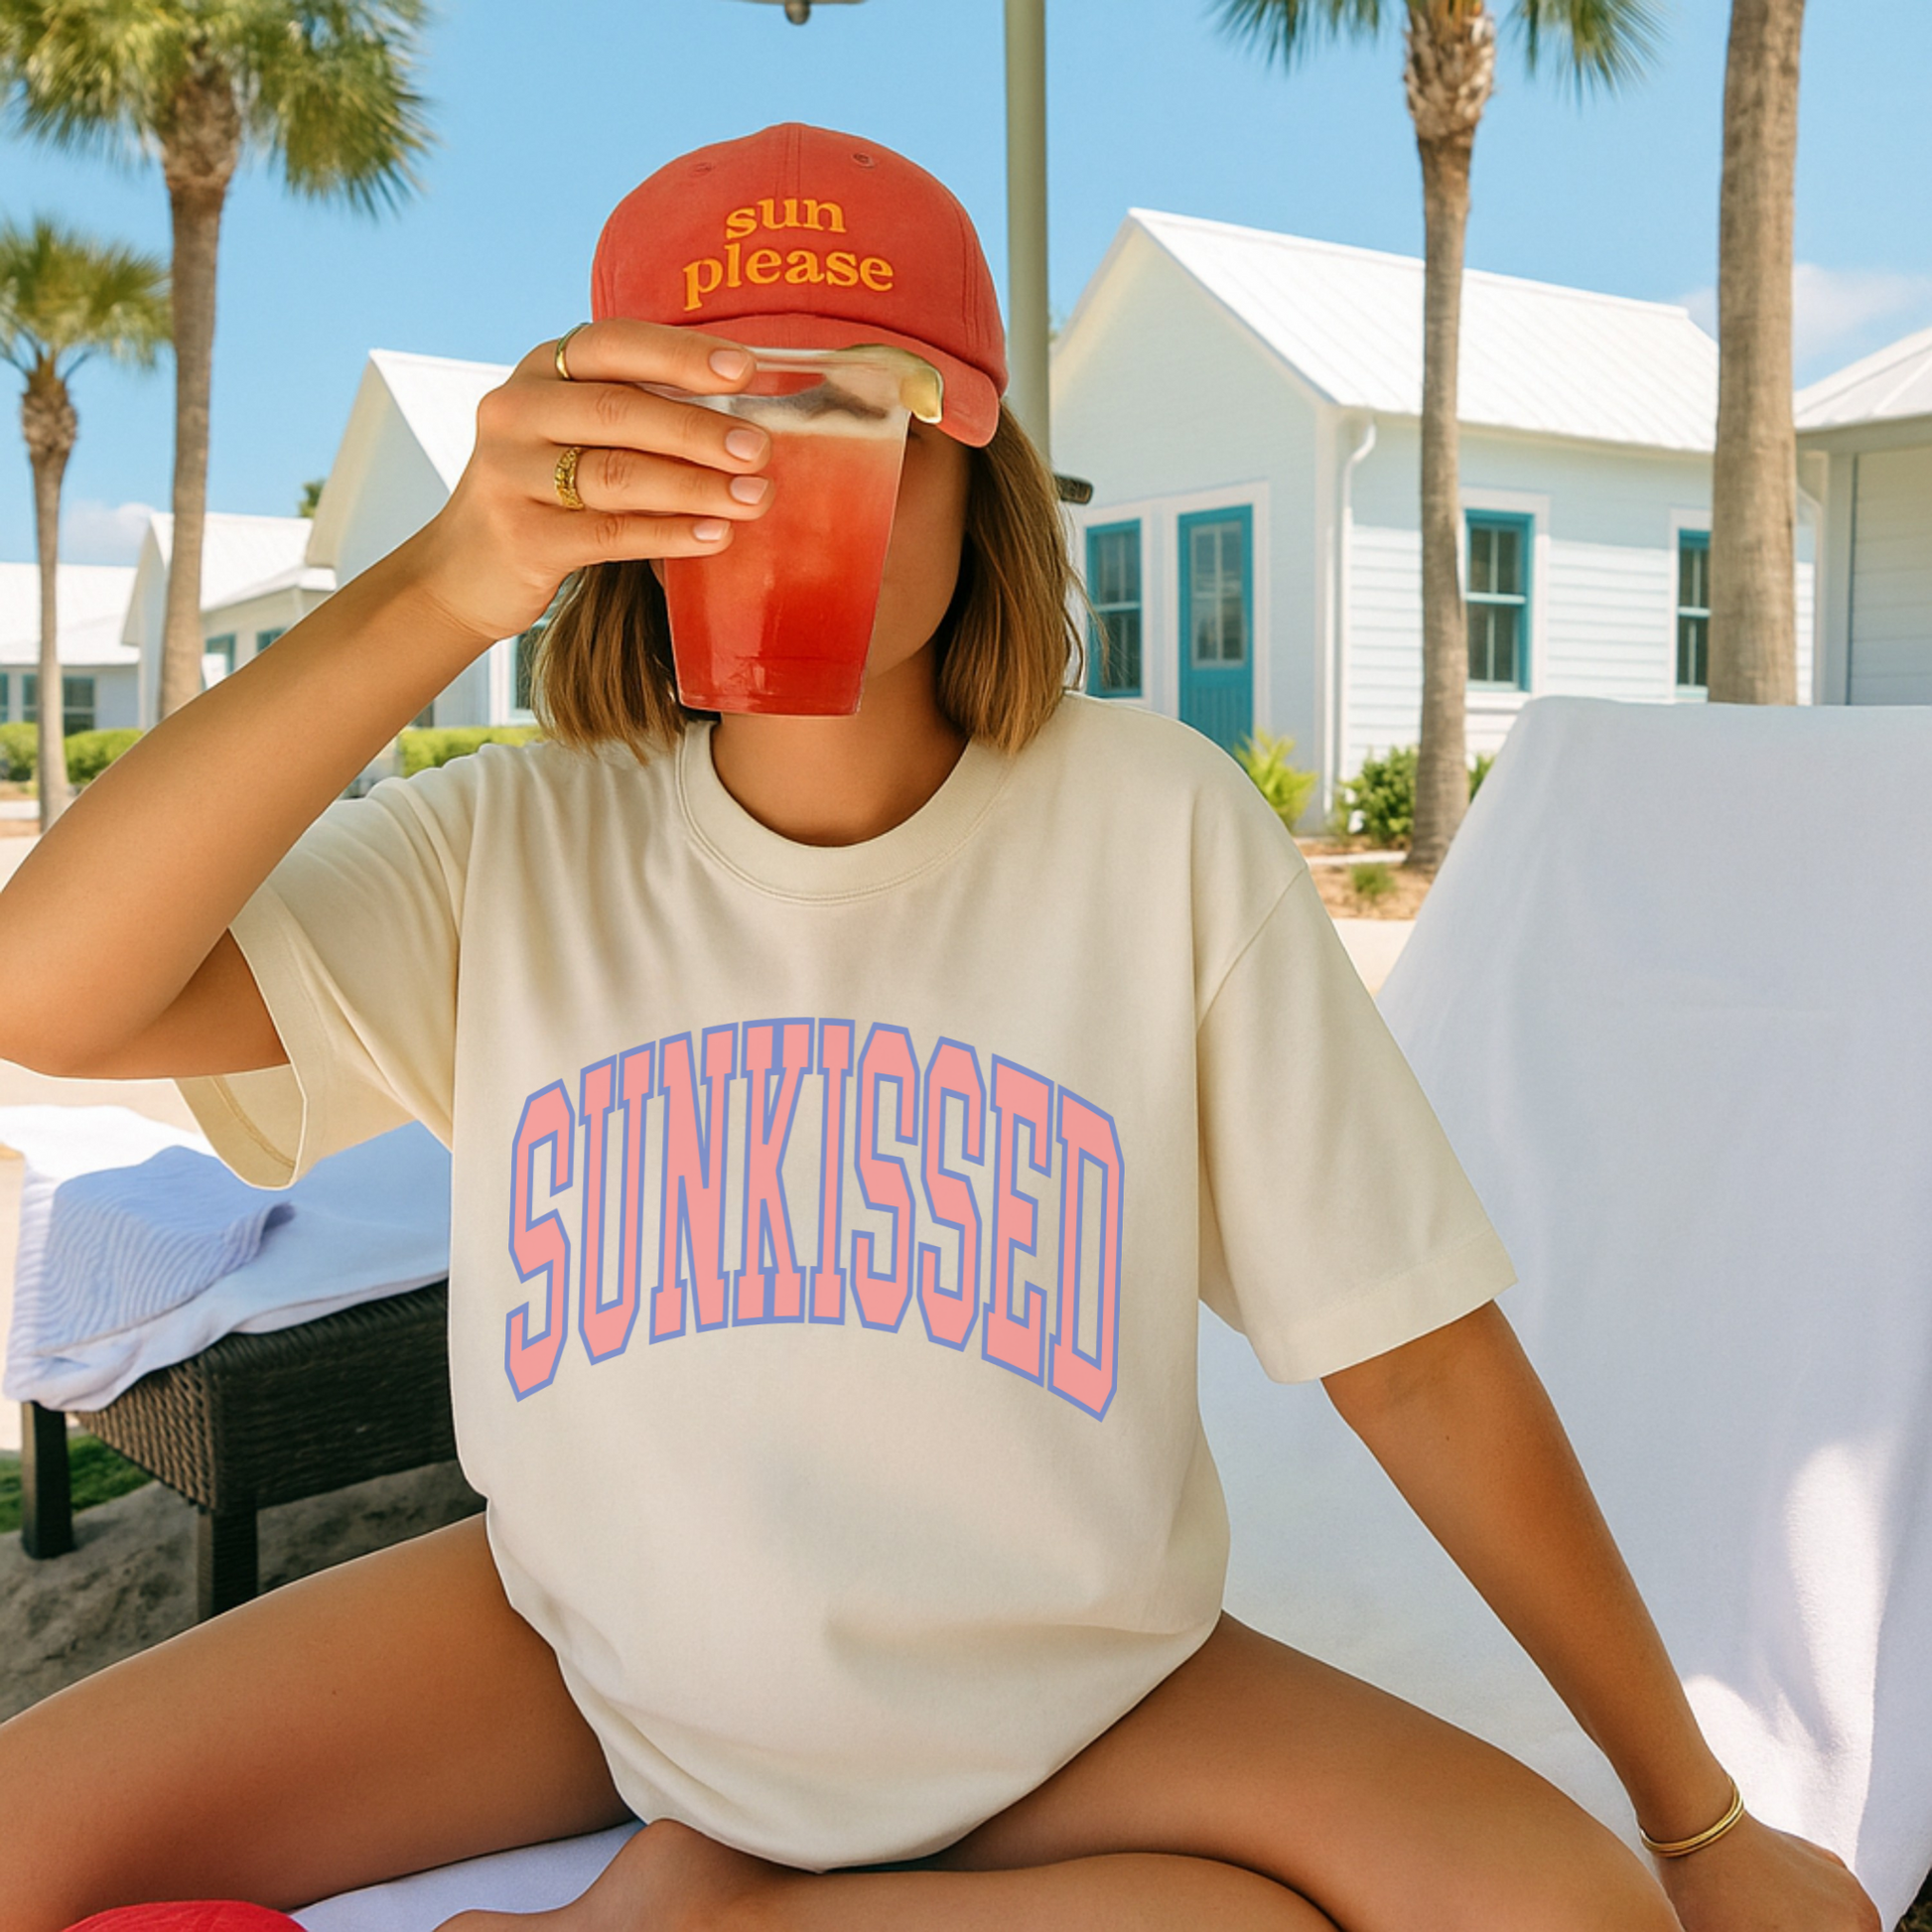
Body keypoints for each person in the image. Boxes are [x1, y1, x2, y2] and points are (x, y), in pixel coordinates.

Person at [0, 124, 1877, 1932]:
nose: (782, 472)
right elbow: (45, 990)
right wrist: (443, 582)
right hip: (583, 1657)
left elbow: (1412, 1354)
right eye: (710, 420)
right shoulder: (512, 842)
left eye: (860, 416)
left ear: (974, 466)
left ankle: (743, 1912)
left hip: (1069, 1704)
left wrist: (1698, 1821)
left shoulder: (1150, 826)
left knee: (1570, 1914)